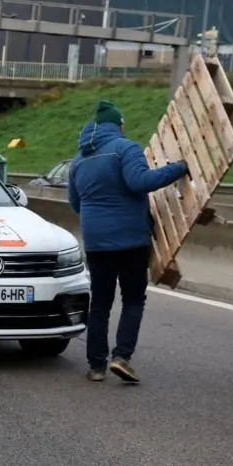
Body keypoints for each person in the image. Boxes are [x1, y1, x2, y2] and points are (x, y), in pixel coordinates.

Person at [67, 99, 189, 384]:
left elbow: (75, 203)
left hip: (96, 243)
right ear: (118, 125)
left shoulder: (78, 160)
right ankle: (121, 357)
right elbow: (140, 181)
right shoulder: (125, 148)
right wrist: (177, 168)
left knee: (100, 304)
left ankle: (96, 366)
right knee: (133, 299)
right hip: (131, 240)